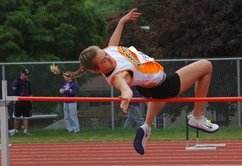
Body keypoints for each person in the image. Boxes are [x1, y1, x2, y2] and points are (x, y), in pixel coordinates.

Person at [50, 8, 219, 155]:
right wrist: (126, 96)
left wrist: (122, 21)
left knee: (158, 96)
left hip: (149, 87)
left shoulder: (109, 52)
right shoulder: (118, 75)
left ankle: (146, 127)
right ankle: (197, 117)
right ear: (96, 70)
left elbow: (112, 44)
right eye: (104, 61)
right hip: (163, 84)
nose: (108, 58)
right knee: (206, 66)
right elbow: (124, 87)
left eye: (105, 54)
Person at [9, 68, 33, 136]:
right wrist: (15, 99)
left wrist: (31, 97)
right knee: (17, 116)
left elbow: (30, 90)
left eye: (27, 74)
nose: (26, 76)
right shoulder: (16, 81)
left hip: (27, 100)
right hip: (19, 101)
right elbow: (14, 91)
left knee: (26, 116)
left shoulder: (28, 82)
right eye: (25, 74)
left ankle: (25, 130)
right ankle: (15, 130)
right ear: (21, 73)